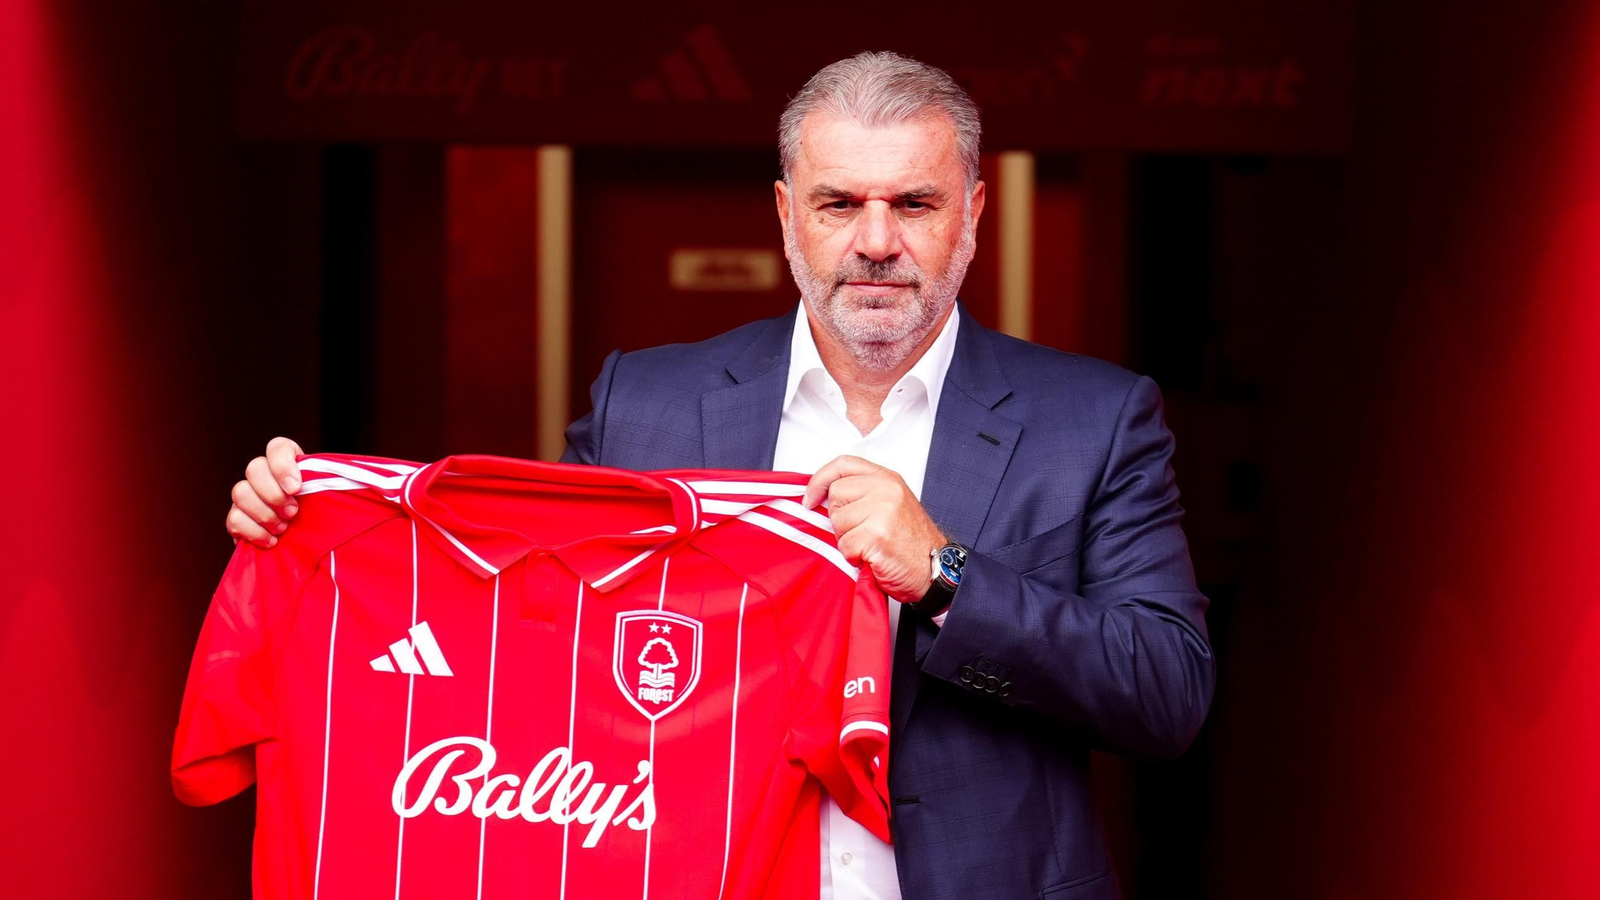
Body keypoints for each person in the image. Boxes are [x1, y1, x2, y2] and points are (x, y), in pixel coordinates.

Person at [225, 51, 1214, 900]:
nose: (876, 242)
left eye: (912, 202)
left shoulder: (1094, 419)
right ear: (787, 213)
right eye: (839, 203)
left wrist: (945, 571)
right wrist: (318, 536)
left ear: (972, 211)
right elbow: (517, 628)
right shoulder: (645, 404)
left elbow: (1166, 692)